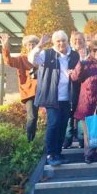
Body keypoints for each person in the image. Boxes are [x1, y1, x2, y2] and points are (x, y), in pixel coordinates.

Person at [28, 30, 80, 166]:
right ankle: (50, 154)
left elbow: (79, 72)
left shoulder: (74, 55)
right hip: (52, 96)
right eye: (58, 41)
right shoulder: (47, 53)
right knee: (54, 123)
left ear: (67, 41)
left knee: (63, 125)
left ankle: (58, 153)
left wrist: (74, 74)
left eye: (63, 40)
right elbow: (32, 60)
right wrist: (39, 45)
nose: (61, 43)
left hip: (67, 97)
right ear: (54, 42)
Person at [0, 33, 39, 141]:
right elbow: (9, 61)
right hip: (30, 93)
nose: (31, 46)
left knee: (46, 117)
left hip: (44, 92)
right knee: (32, 117)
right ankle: (30, 141)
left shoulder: (41, 58)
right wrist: (5, 47)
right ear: (26, 46)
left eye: (34, 44)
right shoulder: (22, 59)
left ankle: (42, 141)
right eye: (29, 44)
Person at [64, 31, 87, 149]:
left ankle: (82, 140)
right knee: (69, 115)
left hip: (84, 88)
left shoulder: (89, 54)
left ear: (84, 40)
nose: (78, 41)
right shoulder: (69, 54)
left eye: (80, 39)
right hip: (70, 88)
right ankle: (67, 140)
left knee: (82, 114)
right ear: (71, 41)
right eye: (75, 40)